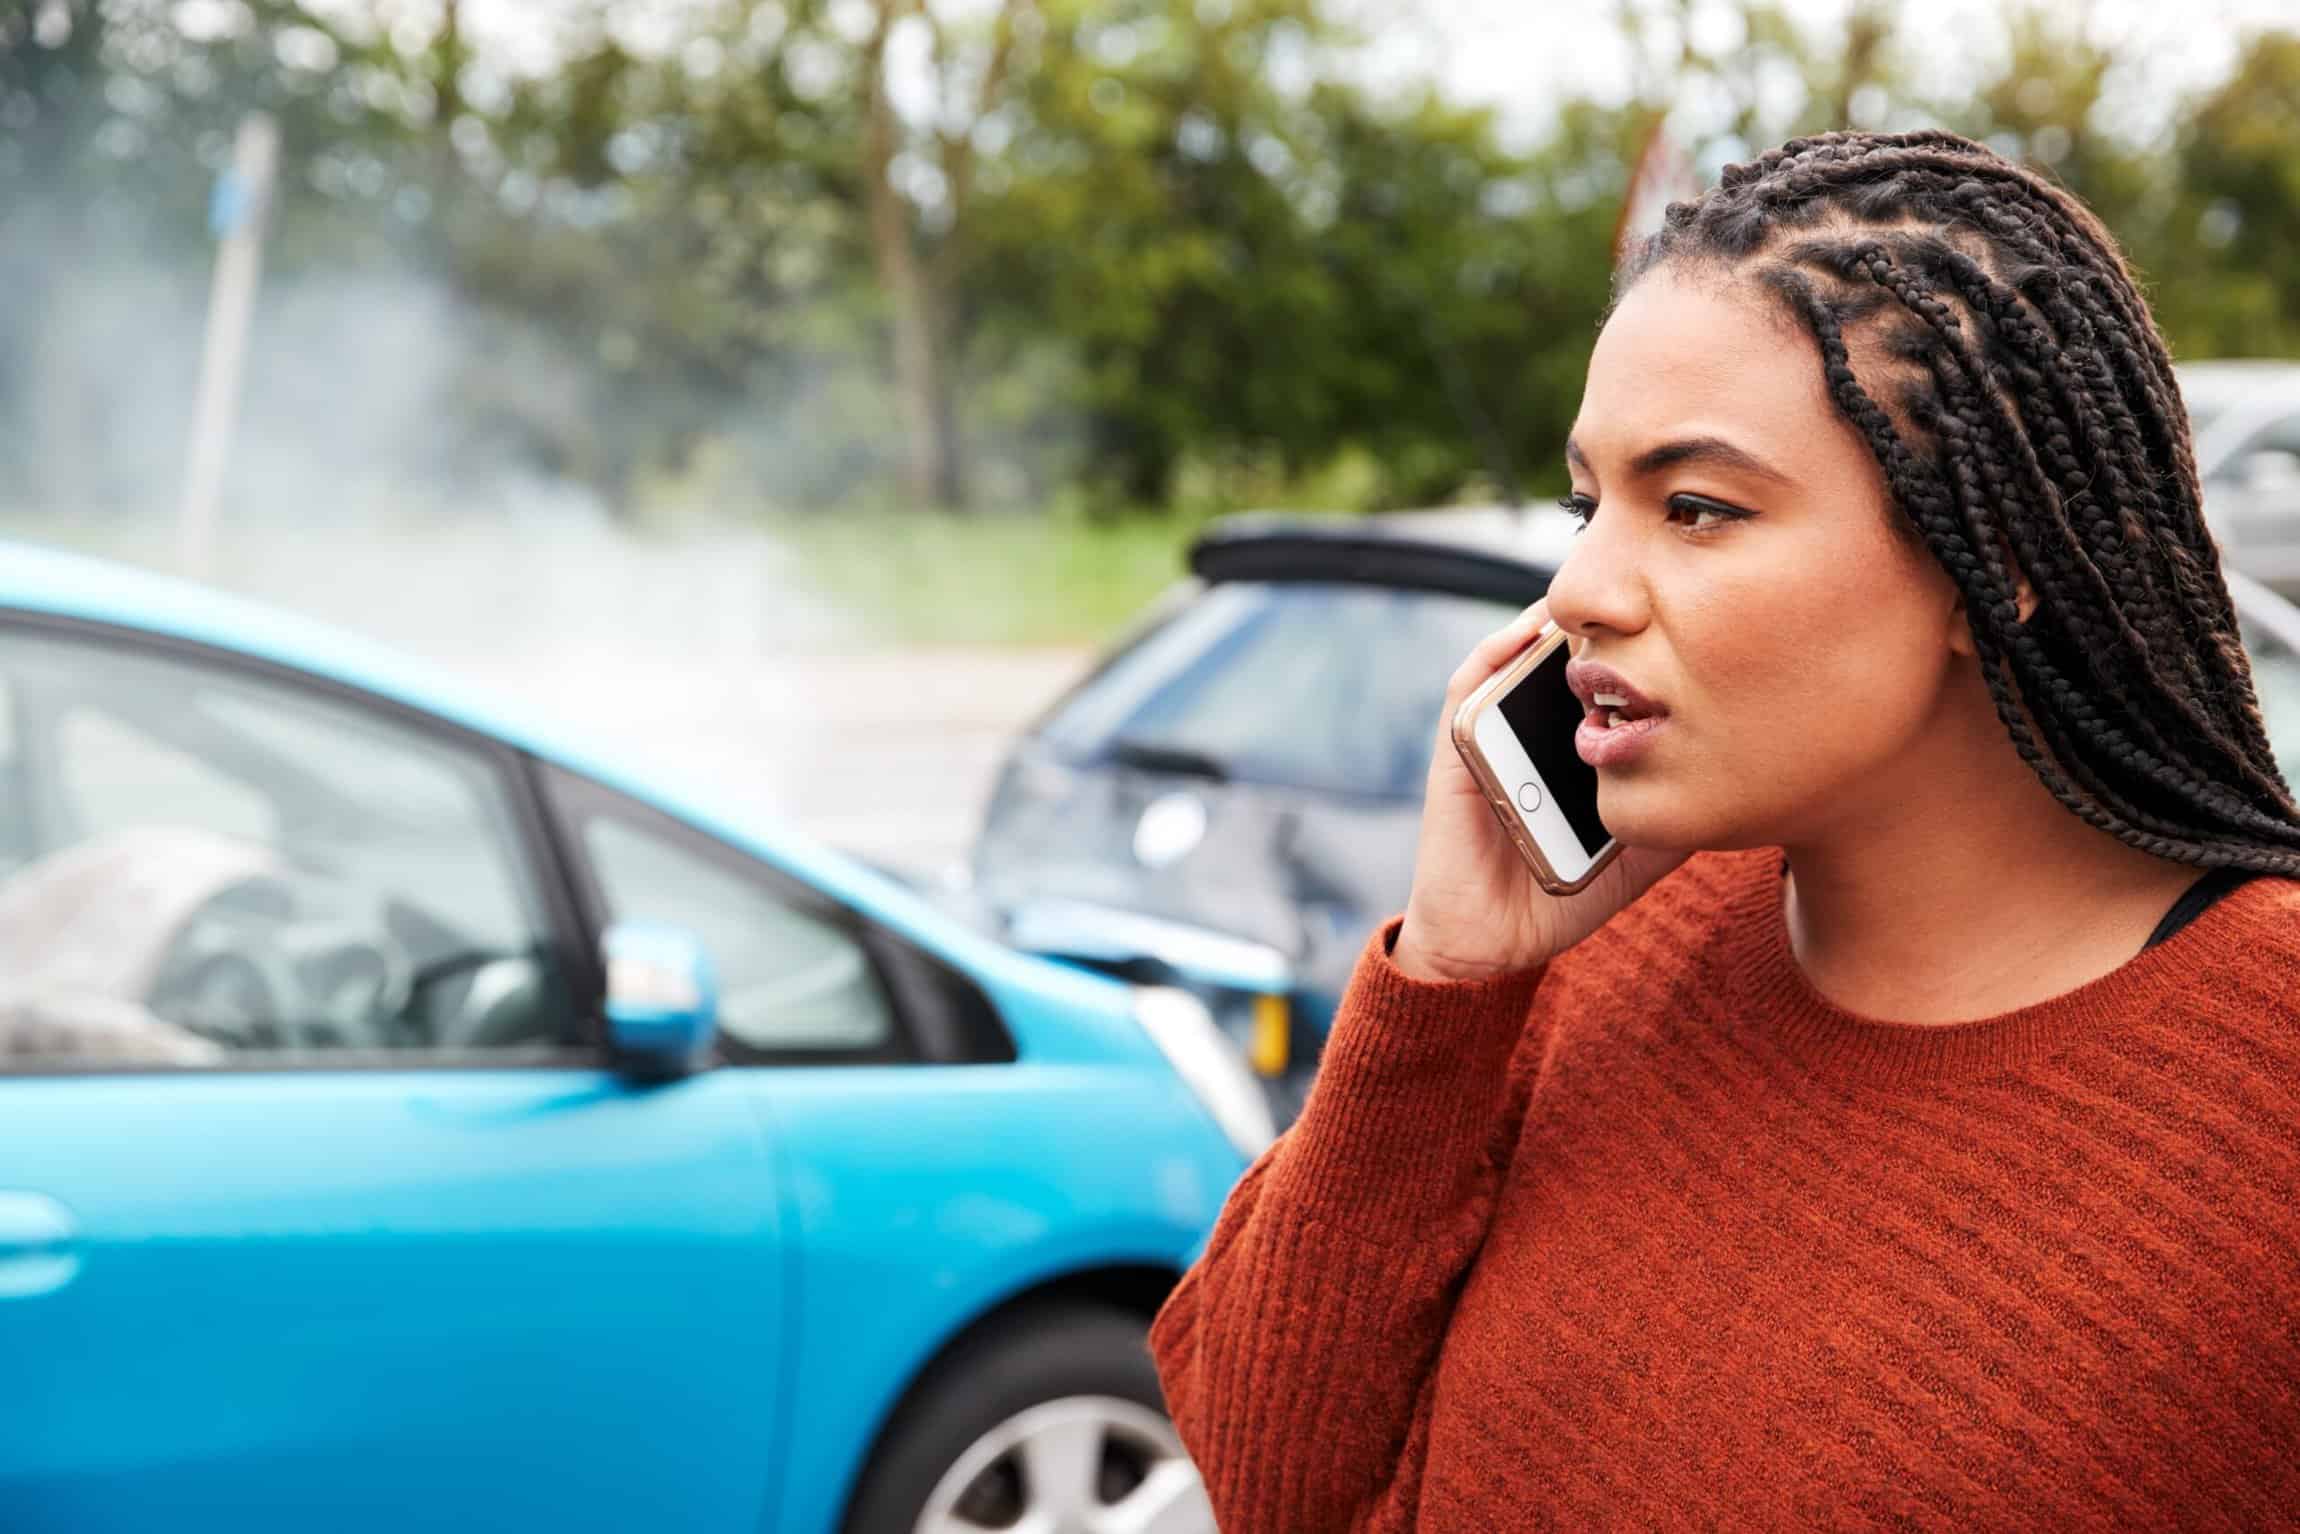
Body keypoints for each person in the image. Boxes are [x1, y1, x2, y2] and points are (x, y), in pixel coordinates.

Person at [1147, 129, 2300, 1530]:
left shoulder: (2261, 1079)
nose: (1581, 588)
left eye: (1696, 508)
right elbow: (1273, 1482)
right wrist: (1448, 979)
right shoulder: (1596, 954)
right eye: (1590, 502)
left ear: (1991, 564)